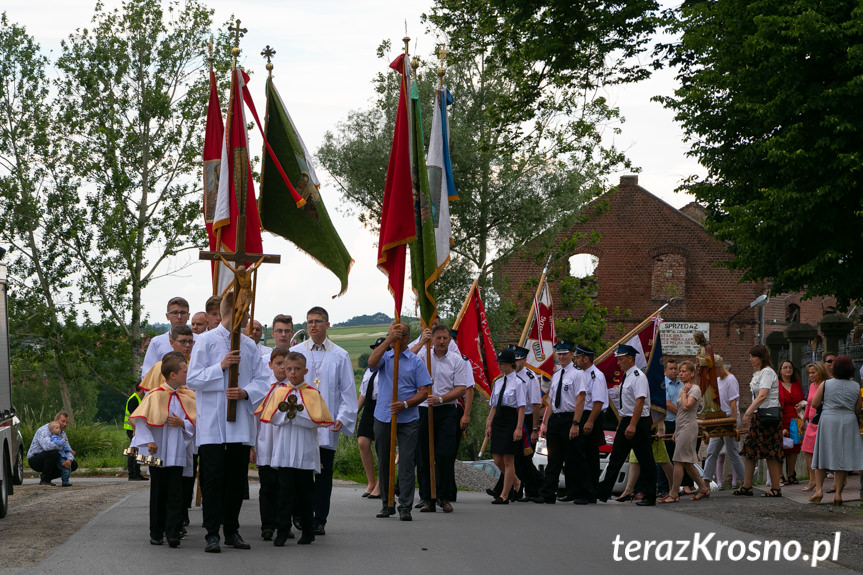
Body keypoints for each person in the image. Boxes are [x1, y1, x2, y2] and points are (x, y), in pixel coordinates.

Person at [186, 290, 270, 553]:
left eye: (246, 312)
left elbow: (262, 381)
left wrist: (246, 392)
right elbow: (193, 379)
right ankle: (212, 532)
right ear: (228, 313)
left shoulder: (249, 345)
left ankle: (232, 529)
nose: (245, 318)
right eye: (242, 312)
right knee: (211, 479)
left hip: (239, 423)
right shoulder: (206, 341)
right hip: (212, 423)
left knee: (236, 480)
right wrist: (221, 366)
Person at [290, 306, 357, 535]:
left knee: (323, 474)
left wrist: (342, 418)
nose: (313, 325)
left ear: (327, 325)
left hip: (327, 425)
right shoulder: (297, 351)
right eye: (309, 321)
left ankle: (320, 518)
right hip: (302, 423)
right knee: (300, 472)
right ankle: (300, 512)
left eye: (318, 321)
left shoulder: (340, 355)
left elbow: (347, 392)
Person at [256, 351, 334, 545]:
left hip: (305, 449)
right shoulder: (279, 392)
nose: (292, 373)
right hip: (284, 448)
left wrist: (295, 416)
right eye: (289, 369)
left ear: (305, 370)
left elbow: (317, 420)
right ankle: (282, 531)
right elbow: (270, 417)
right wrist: (287, 415)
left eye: (297, 369)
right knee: (284, 491)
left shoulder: (312, 394)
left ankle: (308, 531)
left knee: (306, 492)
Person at [129, 352, 196, 547]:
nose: (187, 373)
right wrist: (148, 440)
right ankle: (156, 532)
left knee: (176, 493)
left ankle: (173, 532)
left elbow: (194, 422)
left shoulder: (187, 395)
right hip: (156, 452)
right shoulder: (154, 396)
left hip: (176, 452)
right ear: (172, 374)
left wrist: (182, 423)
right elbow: (140, 421)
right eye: (184, 371)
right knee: (158, 492)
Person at [367, 322, 430, 521]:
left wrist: (405, 403)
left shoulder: (415, 361)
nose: (395, 337)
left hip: (408, 418)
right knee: (385, 461)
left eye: (399, 334)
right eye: (392, 333)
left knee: (406, 463)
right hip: (383, 417)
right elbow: (371, 363)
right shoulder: (385, 357)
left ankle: (405, 506)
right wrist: (388, 340)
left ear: (406, 338)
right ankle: (387, 504)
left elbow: (423, 392)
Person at [597, 344, 656, 506]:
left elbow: (640, 401)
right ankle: (602, 493)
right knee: (616, 458)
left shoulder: (638, 376)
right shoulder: (627, 376)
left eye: (621, 359)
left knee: (646, 460)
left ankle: (650, 495)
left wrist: (632, 425)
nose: (618, 363)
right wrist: (623, 422)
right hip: (627, 421)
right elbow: (628, 404)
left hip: (638, 422)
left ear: (630, 358)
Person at [417, 324, 467, 513]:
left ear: (450, 339)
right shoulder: (423, 357)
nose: (442, 341)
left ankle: (444, 497)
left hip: (446, 411)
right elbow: (407, 360)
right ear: (433, 339)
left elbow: (461, 388)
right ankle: (427, 498)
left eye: (445, 338)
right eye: (438, 338)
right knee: (424, 455)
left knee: (444, 455)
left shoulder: (456, 360)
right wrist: (422, 341)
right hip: (424, 410)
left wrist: (440, 398)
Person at [810, 356, 863, 505]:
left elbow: (814, 403)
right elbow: (857, 409)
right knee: (842, 456)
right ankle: (838, 494)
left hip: (829, 419)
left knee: (822, 454)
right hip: (848, 420)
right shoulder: (855, 386)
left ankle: (819, 490)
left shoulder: (826, 384)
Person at [734, 344, 783, 498]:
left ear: (761, 357)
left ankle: (776, 487)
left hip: (768, 415)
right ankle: (747, 485)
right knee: (750, 450)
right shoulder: (758, 373)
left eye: (752, 356)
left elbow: (763, 395)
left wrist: (747, 413)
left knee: (771, 451)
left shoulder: (767, 372)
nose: (750, 359)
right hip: (759, 416)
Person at [660, 360, 711, 502]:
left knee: (677, 460)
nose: (680, 373)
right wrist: (676, 430)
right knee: (687, 462)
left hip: (689, 427)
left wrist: (683, 392)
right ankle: (702, 488)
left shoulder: (694, 389)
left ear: (692, 373)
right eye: (680, 371)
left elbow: (686, 406)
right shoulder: (685, 388)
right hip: (682, 427)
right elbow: (681, 413)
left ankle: (674, 493)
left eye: (683, 371)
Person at [536, 341, 581, 504]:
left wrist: (576, 423)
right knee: (553, 459)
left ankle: (572, 491)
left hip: (570, 418)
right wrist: (546, 423)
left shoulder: (577, 374)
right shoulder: (556, 375)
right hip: (556, 419)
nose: (561, 357)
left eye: (565, 353)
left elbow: (580, 399)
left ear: (572, 355)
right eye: (559, 354)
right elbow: (552, 401)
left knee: (571, 459)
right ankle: (548, 493)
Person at [254, 346, 288, 542]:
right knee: (267, 486)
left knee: (285, 486)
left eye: (286, 364)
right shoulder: (263, 387)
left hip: (285, 444)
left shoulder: (293, 389)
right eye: (278, 364)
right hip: (265, 442)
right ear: (270, 365)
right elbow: (254, 417)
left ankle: (284, 523)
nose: (283, 368)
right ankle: (267, 525)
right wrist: (252, 445)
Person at [485, 348, 526, 505]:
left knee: (508, 460)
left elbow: (521, 407)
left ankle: (504, 495)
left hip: (510, 420)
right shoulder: (498, 382)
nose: (500, 366)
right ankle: (516, 481)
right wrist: (489, 423)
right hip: (498, 420)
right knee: (497, 459)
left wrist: (518, 428)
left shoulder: (518, 383)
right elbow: (494, 406)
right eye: (499, 363)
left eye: (503, 363)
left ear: (511, 364)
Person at [700, 355, 745, 489]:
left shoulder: (731, 380)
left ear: (719, 367)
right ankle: (706, 483)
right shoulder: (717, 379)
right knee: (712, 451)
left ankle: (745, 482)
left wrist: (733, 422)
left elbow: (733, 403)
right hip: (719, 418)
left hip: (729, 418)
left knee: (732, 452)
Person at [573, 343, 608, 501]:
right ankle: (580, 489)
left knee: (590, 455)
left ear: (586, 359)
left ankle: (590, 491)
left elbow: (598, 402)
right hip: (582, 414)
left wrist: (590, 422)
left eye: (578, 357)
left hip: (591, 415)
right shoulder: (582, 374)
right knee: (580, 455)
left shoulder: (596, 375)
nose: (576, 360)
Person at [357, 337, 386, 499]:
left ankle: (381, 485)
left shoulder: (388, 368)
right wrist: (355, 412)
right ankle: (371, 482)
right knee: (363, 442)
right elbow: (363, 392)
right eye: (376, 348)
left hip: (384, 406)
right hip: (369, 407)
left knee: (382, 447)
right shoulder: (369, 370)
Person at [141, 297, 192, 377]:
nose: (179, 316)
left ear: (188, 316)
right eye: (175, 313)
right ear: (167, 316)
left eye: (182, 313)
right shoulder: (157, 342)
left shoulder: (200, 340)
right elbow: (148, 374)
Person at [28, 411, 78, 486]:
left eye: (66, 422)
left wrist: (69, 460)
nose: (65, 424)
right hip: (35, 459)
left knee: (73, 464)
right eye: (63, 421)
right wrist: (61, 444)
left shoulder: (62, 433)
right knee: (53, 453)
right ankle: (45, 480)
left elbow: (68, 449)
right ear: (56, 420)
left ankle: (47, 477)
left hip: (53, 457)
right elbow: (47, 447)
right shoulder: (44, 430)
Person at [801, 362, 829, 492]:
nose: (811, 375)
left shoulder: (826, 385)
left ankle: (820, 481)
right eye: (809, 373)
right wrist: (804, 420)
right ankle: (811, 479)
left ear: (820, 371)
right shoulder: (812, 386)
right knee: (807, 450)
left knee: (819, 451)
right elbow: (808, 404)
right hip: (811, 422)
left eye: (813, 372)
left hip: (822, 421)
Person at [778, 360, 805, 485]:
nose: (788, 370)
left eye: (790, 367)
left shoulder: (796, 384)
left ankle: (791, 474)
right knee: (781, 447)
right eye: (785, 367)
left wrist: (801, 405)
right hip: (783, 418)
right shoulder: (777, 384)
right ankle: (779, 475)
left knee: (794, 448)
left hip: (795, 419)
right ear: (780, 370)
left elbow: (803, 399)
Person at [660, 359, 683, 495]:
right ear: (665, 371)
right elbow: (667, 404)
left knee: (677, 456)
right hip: (668, 423)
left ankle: (675, 487)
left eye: (676, 368)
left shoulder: (681, 385)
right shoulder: (663, 384)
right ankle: (664, 487)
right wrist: (682, 412)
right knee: (665, 457)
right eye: (671, 369)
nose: (674, 371)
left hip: (679, 423)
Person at [694, 331, 720, 414]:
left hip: (708, 373)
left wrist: (699, 359)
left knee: (708, 389)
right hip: (703, 373)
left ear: (699, 338)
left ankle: (711, 406)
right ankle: (705, 406)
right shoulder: (701, 347)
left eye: (696, 339)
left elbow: (710, 361)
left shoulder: (708, 347)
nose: (695, 341)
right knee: (703, 389)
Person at [124, 389, 147, 481]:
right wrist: (135, 429)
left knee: (137, 451)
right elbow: (133, 416)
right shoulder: (134, 399)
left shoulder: (138, 399)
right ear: (141, 389)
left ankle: (137, 473)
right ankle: (132, 473)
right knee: (133, 451)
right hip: (132, 429)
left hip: (135, 429)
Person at [47, 422, 74, 487]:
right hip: (59, 456)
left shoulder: (60, 436)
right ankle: (65, 482)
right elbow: (58, 443)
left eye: (59, 428)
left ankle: (66, 480)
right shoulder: (53, 437)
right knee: (65, 468)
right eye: (57, 428)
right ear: (52, 431)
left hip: (63, 455)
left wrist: (70, 450)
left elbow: (64, 446)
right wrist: (63, 440)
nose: (59, 429)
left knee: (69, 468)